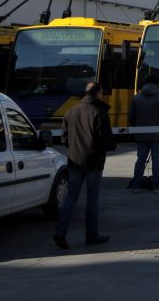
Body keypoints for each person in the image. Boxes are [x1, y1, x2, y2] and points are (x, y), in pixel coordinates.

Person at [54, 82, 117, 249]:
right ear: (97, 94)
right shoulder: (99, 112)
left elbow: (64, 139)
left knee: (71, 198)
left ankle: (60, 231)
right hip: (94, 162)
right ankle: (91, 234)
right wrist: (110, 146)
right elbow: (106, 141)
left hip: (75, 161)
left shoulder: (70, 112)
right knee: (92, 200)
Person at [129, 74, 159, 194]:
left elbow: (131, 116)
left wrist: (137, 127)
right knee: (157, 160)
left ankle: (136, 185)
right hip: (158, 134)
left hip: (140, 134)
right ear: (157, 84)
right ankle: (156, 186)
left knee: (140, 160)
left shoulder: (136, 98)